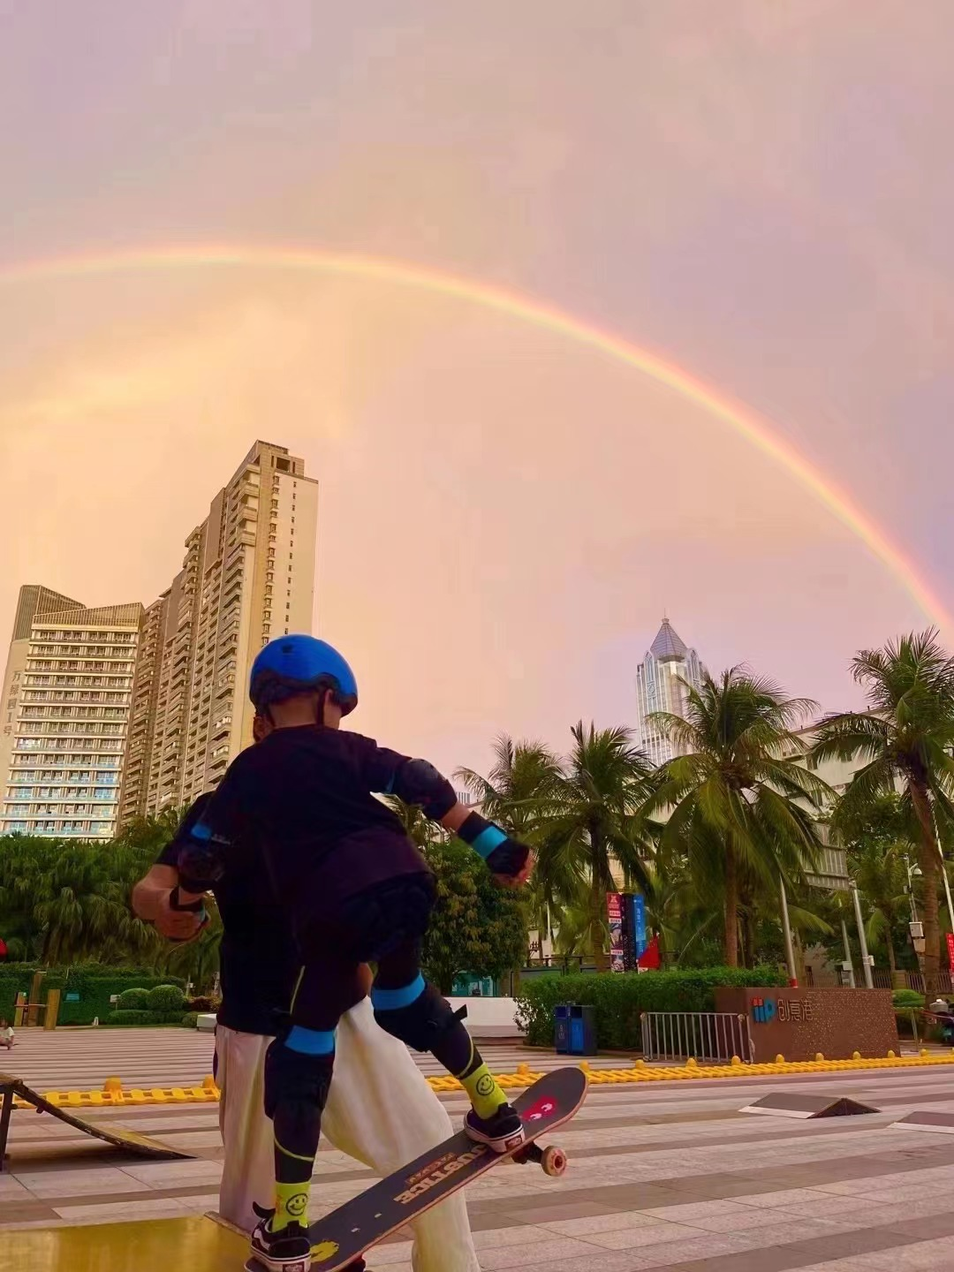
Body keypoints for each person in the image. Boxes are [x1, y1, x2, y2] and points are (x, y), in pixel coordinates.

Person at [176, 634, 531, 1272]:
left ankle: (286, 1229)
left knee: (301, 1055)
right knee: (409, 998)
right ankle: (494, 1108)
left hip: (333, 917)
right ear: (332, 700)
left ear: (264, 712)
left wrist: (190, 891)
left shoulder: (249, 774)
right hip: (403, 883)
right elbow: (420, 781)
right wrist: (494, 845)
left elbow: (203, 848)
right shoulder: (349, 749)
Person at [132, 718, 482, 1272]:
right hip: (257, 1028)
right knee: (253, 1213)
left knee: (431, 1153)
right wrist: (168, 905)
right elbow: (149, 890)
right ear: (259, 726)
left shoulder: (346, 799)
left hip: (350, 1017)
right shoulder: (217, 810)